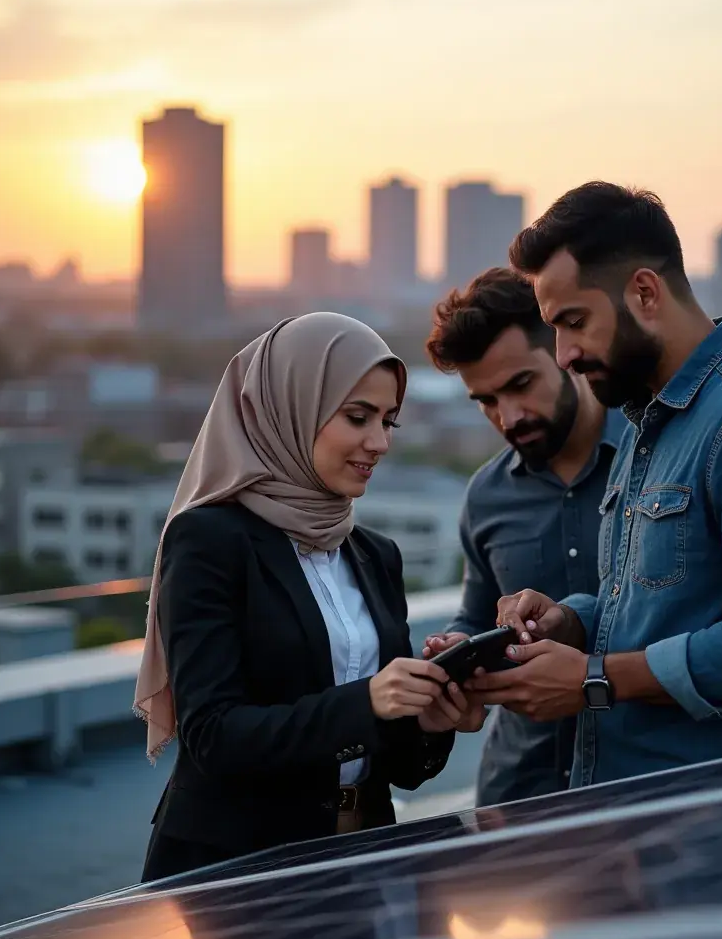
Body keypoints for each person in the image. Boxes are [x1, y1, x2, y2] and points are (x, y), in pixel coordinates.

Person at [468, 182, 722, 787]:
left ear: (644, 291)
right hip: (643, 822)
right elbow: (660, 608)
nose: (563, 354)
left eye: (574, 322)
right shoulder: (650, 420)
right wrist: (572, 620)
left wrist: (594, 679)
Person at [137, 313, 479, 883]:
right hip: (237, 870)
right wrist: (367, 700)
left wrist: (434, 717)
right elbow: (213, 737)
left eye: (389, 421)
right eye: (357, 417)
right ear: (289, 409)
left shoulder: (374, 555)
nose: (380, 442)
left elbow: (398, 769)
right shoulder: (210, 540)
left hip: (366, 857)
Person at [422, 267, 628, 806]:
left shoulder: (655, 458)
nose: (508, 417)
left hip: (647, 788)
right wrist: (455, 652)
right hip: (519, 800)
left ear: (563, 352)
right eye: (485, 401)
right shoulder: (485, 495)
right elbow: (476, 615)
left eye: (520, 385)